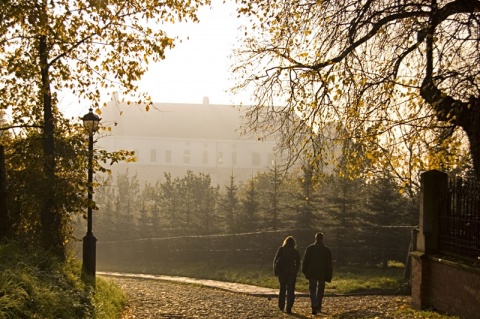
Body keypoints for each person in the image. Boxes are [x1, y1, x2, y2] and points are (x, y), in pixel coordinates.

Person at [302, 232, 333, 315]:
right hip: (322, 272)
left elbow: (305, 261)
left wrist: (304, 270)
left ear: (315, 238)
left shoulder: (310, 248)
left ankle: (314, 304)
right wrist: (329, 274)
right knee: (320, 290)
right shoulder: (326, 250)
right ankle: (318, 305)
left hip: (312, 272)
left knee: (312, 289)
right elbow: (329, 264)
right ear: (322, 239)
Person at [273, 235, 301, 314]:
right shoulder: (295, 251)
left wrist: (275, 270)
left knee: (282, 288)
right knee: (291, 290)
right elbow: (298, 261)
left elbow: (275, 260)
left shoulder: (281, 249)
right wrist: (296, 270)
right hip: (291, 272)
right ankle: (289, 307)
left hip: (282, 271)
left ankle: (281, 305)